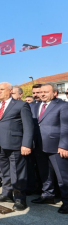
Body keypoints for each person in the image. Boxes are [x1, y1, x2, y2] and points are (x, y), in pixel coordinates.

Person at [0, 82, 34, 211]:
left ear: (10, 91)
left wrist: (26, 144)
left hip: (15, 145)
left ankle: (20, 199)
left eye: (2, 89)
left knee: (17, 173)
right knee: (4, 171)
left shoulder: (21, 105)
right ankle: (6, 194)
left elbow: (28, 126)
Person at [31, 83, 68, 214]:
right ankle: (48, 195)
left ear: (55, 93)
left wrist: (64, 145)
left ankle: (67, 201)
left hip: (56, 147)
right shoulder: (35, 106)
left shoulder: (62, 105)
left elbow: (65, 127)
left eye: (46, 92)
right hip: (39, 146)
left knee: (63, 177)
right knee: (44, 173)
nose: (42, 94)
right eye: (41, 92)